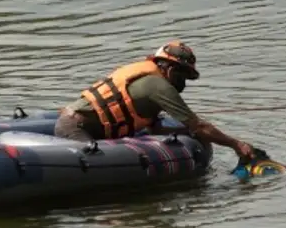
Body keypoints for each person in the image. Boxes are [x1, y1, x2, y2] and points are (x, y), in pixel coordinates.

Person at [54, 40, 255, 160]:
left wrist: (186, 132)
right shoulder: (158, 86)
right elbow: (199, 125)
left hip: (86, 126)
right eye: (181, 74)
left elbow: (154, 130)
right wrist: (236, 144)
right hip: (76, 127)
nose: (182, 81)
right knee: (96, 161)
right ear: (168, 68)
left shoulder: (152, 83)